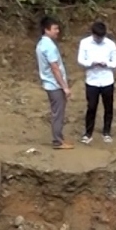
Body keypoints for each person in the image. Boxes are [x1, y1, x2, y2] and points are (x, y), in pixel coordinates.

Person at [77, 21, 116, 144]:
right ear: (93, 34)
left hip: (107, 79)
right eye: (97, 37)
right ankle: (88, 133)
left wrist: (107, 64)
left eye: (101, 37)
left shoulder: (110, 44)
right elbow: (80, 60)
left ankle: (107, 132)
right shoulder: (85, 43)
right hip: (92, 80)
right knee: (91, 107)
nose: (99, 39)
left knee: (108, 107)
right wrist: (91, 63)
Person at [36, 16, 72, 150]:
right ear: (47, 30)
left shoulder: (41, 43)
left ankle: (59, 137)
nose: (57, 31)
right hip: (54, 85)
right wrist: (65, 87)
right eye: (55, 29)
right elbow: (55, 68)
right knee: (58, 113)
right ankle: (57, 141)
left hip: (49, 83)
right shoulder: (49, 46)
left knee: (57, 112)